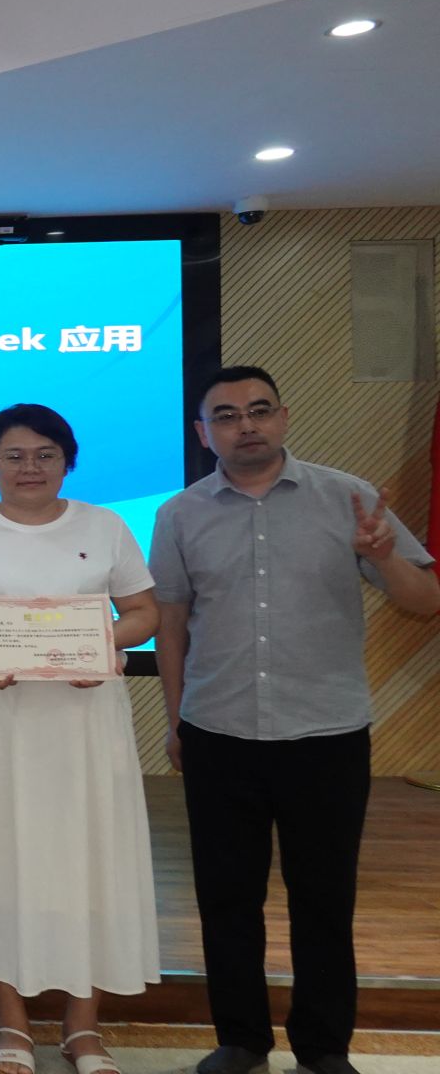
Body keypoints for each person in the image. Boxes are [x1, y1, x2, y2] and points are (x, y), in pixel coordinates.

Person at [151, 367, 438, 1074]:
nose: (245, 425)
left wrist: (383, 557)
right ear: (203, 433)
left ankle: (323, 1046)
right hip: (219, 732)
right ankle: (241, 1038)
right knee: (226, 898)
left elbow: (425, 600)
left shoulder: (349, 497)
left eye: (259, 410)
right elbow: (172, 623)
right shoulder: (180, 514)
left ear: (283, 417)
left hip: (326, 734)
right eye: (226, 416)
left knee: (324, 899)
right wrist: (176, 720)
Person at [0, 404, 161, 1074]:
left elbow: (142, 612)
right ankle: (13, 1022)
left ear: (68, 461)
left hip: (87, 723)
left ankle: (83, 1027)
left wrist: (99, 644)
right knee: (2, 861)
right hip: (2, 721)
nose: (30, 467)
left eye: (46, 454)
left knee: (92, 860)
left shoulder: (105, 527)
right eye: (14, 456)